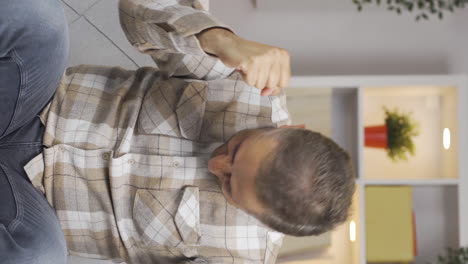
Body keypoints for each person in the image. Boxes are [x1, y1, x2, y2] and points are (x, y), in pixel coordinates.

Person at [0, 0, 356, 263]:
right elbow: (138, 9)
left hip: (29, 202)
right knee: (40, 15)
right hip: (34, 100)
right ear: (289, 128)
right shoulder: (249, 88)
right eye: (237, 149)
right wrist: (218, 38)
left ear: (265, 222)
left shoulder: (239, 254)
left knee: (37, 257)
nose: (216, 166)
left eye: (230, 185)